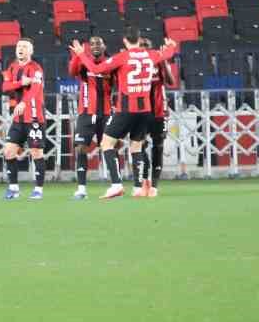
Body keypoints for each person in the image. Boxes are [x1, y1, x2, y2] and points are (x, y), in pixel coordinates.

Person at [70, 29, 179, 200]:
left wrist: (81, 54)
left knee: (107, 143)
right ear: (139, 39)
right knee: (136, 147)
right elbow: (167, 53)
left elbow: (96, 68)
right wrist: (172, 46)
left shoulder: (123, 57)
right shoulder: (151, 55)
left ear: (125, 41)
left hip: (126, 108)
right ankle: (137, 187)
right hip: (146, 111)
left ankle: (116, 185)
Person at [67, 35, 115, 200]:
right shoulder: (82, 61)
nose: (95, 46)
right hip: (86, 112)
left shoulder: (110, 63)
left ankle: (114, 185)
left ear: (104, 46)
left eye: (98, 43)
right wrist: (76, 56)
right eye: (92, 44)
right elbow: (72, 72)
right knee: (80, 147)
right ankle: (81, 189)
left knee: (108, 147)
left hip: (107, 112)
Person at [0, 37, 47, 201]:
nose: (21, 49)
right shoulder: (12, 67)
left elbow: (35, 89)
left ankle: (38, 190)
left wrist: (24, 103)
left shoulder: (36, 69)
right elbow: (5, 87)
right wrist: (20, 82)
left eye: (25, 46)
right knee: (8, 151)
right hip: (19, 120)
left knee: (36, 153)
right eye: (19, 46)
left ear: (31, 51)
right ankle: (13, 189)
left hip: (34, 117)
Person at [139, 36, 180, 197]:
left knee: (158, 147)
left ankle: (154, 186)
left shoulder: (158, 60)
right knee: (138, 146)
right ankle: (145, 179)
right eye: (141, 45)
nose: (144, 48)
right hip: (140, 110)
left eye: (146, 45)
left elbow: (171, 81)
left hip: (159, 110)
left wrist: (164, 62)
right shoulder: (133, 65)